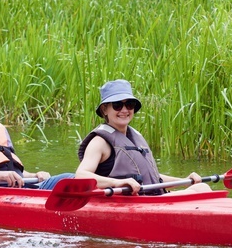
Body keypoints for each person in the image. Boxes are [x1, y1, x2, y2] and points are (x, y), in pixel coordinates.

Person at [76, 79, 211, 195]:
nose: (124, 110)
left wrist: (183, 181)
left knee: (200, 187)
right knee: (202, 188)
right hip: (126, 202)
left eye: (129, 104)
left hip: (151, 199)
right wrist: (118, 183)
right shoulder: (99, 142)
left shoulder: (134, 138)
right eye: (117, 105)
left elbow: (152, 179)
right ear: (105, 109)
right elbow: (81, 176)